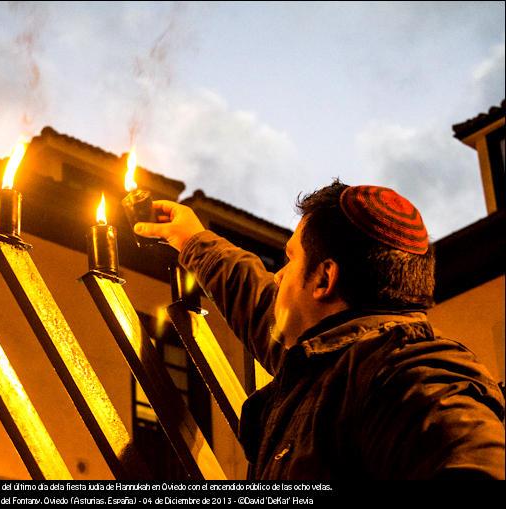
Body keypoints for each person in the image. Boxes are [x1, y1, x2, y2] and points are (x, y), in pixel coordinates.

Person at [133, 180, 505, 480]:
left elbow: (477, 461)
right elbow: (260, 303)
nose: (277, 276)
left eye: (290, 259)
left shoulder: (405, 375)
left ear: (324, 278)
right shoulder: (329, 364)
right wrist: (193, 240)